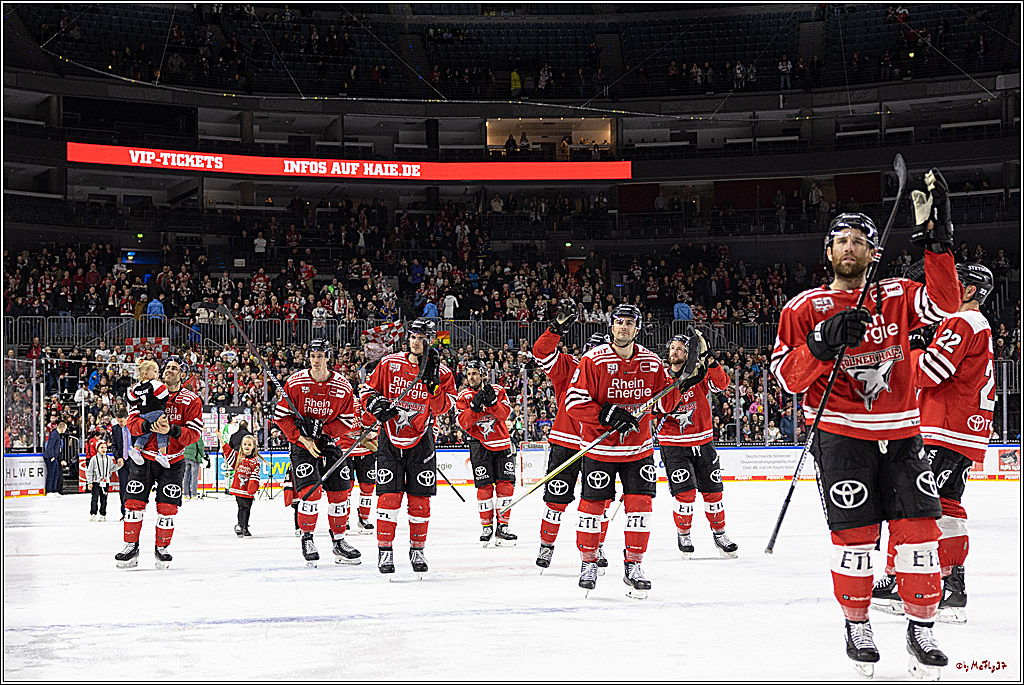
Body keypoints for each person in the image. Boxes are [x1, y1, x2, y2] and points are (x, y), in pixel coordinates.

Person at [770, 169, 961, 679]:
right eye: (841, 241)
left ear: (874, 254)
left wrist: (937, 241)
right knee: (855, 540)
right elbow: (788, 380)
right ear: (827, 252)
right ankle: (857, 624)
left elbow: (944, 303)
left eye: (860, 241)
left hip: (901, 434)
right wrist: (821, 343)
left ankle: (922, 629)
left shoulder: (895, 294)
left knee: (921, 534)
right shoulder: (803, 307)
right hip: (840, 438)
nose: (850, 248)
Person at [873, 263, 996, 625]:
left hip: (943, 426)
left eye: (957, 284)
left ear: (971, 291)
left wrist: (907, 349)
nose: (947, 288)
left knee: (910, 502)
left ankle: (905, 583)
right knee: (947, 505)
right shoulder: (979, 325)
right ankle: (951, 586)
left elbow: (929, 371)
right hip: (965, 429)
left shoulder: (963, 322)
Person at [565, 303, 683, 599]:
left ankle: (634, 565)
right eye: (619, 322)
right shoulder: (593, 360)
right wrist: (605, 414)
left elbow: (666, 404)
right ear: (611, 326)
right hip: (600, 448)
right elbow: (574, 403)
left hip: (638, 449)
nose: (624, 327)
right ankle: (589, 562)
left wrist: (682, 381)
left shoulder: (653, 363)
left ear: (637, 327)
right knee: (592, 510)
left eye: (629, 323)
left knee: (640, 511)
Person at [363, 317, 456, 577]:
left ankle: (417, 549)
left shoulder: (443, 372)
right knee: (388, 499)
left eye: (422, 338)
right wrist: (375, 406)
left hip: (421, 441)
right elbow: (367, 392)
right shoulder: (389, 363)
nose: (417, 342)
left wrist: (433, 385)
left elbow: (443, 408)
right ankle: (385, 551)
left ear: (431, 340)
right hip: (390, 439)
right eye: (414, 337)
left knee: (420, 502)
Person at [531, 299, 613, 571]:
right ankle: (547, 545)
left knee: (599, 503)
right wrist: (555, 328)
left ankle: (595, 547)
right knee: (555, 500)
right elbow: (540, 352)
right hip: (565, 442)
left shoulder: (613, 376)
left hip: (598, 446)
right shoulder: (568, 366)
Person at [272, 339, 361, 567]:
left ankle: (339, 541)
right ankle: (307, 538)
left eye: (320, 355)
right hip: (302, 446)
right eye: (312, 356)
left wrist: (322, 431)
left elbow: (348, 420)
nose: (316, 360)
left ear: (328, 357)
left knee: (341, 492)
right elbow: (281, 416)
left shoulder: (342, 386)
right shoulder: (295, 382)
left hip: (330, 443)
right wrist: (302, 437)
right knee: (310, 494)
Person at [656, 331, 737, 559]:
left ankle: (719, 534)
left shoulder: (699, 374)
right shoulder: (662, 376)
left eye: (680, 348)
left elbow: (721, 385)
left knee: (714, 492)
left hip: (703, 441)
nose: (675, 351)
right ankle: (684, 535)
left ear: (688, 353)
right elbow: (660, 406)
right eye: (672, 347)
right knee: (686, 494)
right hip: (674, 444)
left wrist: (710, 360)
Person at [117, 357, 203, 570]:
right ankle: (130, 547)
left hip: (172, 460)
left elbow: (195, 433)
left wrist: (171, 431)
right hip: (144, 457)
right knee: (133, 505)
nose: (169, 371)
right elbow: (132, 422)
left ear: (182, 373)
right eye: (167, 368)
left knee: (167, 507)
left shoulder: (191, 400)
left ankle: (162, 549)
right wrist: (148, 426)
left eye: (175, 368)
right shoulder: (146, 391)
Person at [456, 359, 517, 546]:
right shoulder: (464, 396)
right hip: (479, 445)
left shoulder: (498, 391)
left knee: (505, 485)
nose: (471, 377)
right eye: (468, 374)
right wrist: (474, 409)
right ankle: (487, 527)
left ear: (482, 374)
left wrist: (492, 404)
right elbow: (463, 423)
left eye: (474, 373)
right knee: (484, 487)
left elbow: (504, 415)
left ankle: (503, 526)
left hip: (502, 443)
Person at [127, 360, 170, 463]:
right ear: (145, 374)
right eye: (155, 371)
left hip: (143, 414)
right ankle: (162, 454)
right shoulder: (154, 383)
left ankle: (137, 448)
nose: (157, 374)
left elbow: (130, 398)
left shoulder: (137, 386)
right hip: (156, 411)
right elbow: (163, 394)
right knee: (161, 430)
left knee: (145, 434)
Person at [229, 435, 261, 537]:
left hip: (248, 490)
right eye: (245, 444)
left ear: (253, 447)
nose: (247, 446)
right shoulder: (238, 457)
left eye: (249, 444)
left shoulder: (255, 461)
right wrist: (220, 438)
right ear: (241, 446)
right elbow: (227, 451)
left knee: (247, 507)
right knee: (242, 507)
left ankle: (245, 527)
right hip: (238, 488)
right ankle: (240, 525)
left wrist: (252, 487)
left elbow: (255, 474)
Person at [110, 407, 132, 518]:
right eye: (118, 421)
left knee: (134, 487)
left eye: (121, 421)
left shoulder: (133, 427)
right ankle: (124, 512)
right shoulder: (115, 429)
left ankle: (134, 511)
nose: (120, 423)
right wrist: (118, 457)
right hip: (122, 463)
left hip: (134, 462)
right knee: (123, 488)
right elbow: (114, 445)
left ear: (127, 418)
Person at [86, 438, 115, 521]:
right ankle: (93, 514)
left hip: (105, 482)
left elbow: (112, 468)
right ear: (97, 448)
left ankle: (103, 514)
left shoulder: (109, 459)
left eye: (105, 447)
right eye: (102, 447)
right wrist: (90, 482)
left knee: (104, 499)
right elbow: (90, 471)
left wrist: (118, 465)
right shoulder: (93, 459)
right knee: (94, 498)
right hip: (96, 482)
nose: (104, 449)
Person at [43, 421, 67, 496]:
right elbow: (50, 446)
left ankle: (54, 490)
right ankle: (49, 490)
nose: (65, 430)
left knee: (56, 473)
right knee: (51, 474)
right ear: (62, 428)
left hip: (55, 457)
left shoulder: (58, 435)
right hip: (50, 457)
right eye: (65, 428)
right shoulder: (54, 434)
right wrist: (51, 456)